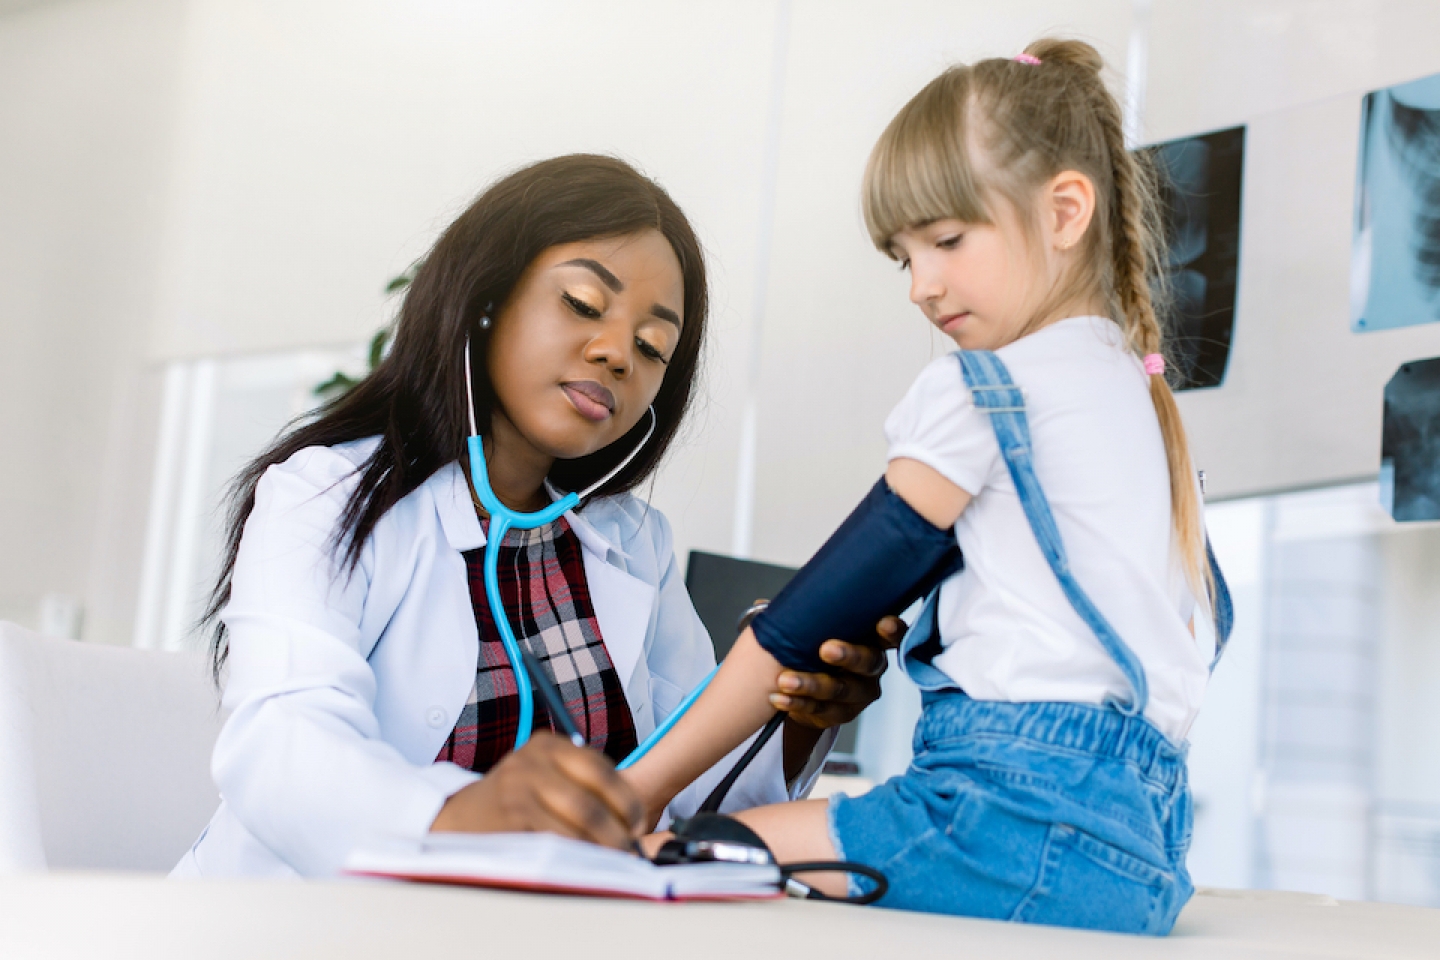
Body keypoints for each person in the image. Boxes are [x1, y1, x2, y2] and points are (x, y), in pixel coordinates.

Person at [623, 40, 1232, 935]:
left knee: (678, 854)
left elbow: (812, 617)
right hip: (1146, 851)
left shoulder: (986, 390)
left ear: (1066, 211)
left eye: (946, 241)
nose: (921, 286)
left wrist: (635, 790)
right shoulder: (1140, 404)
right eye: (901, 257)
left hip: (1003, 820)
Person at [173, 154, 897, 878]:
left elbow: (685, 801)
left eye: (653, 347)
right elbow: (281, 741)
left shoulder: (633, 544)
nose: (617, 354)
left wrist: (798, 717)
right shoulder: (326, 493)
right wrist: (452, 818)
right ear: (485, 299)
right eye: (583, 303)